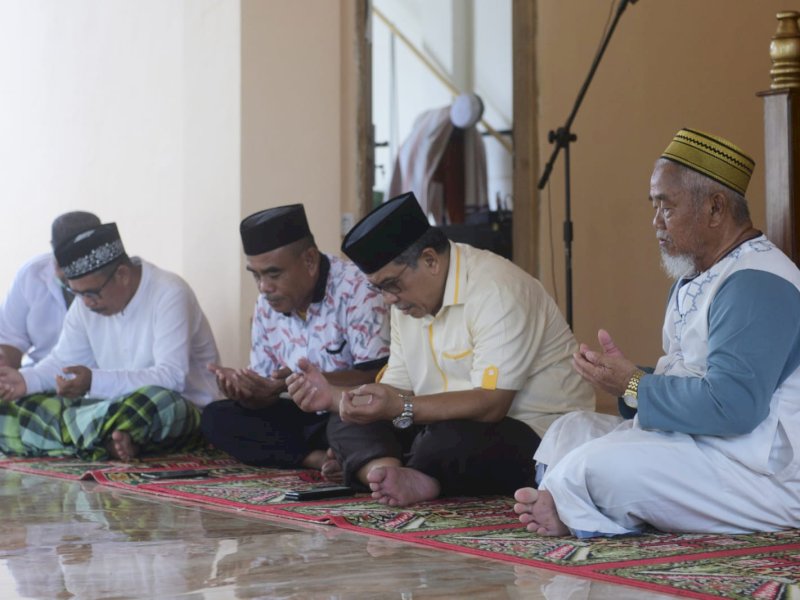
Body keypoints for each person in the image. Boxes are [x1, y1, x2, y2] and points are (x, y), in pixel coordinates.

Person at [514, 128, 800, 537]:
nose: (655, 222)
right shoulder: (700, 276)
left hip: (759, 473)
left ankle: (577, 508)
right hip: (707, 447)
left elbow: (733, 407)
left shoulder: (756, 282)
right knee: (570, 430)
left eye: (666, 207)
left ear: (715, 209)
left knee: (596, 465)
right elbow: (693, 378)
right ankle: (583, 505)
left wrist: (634, 383)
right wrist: (625, 379)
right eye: (654, 207)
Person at [287, 192, 595, 506]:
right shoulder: (406, 303)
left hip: (530, 430)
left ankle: (386, 471)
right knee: (346, 421)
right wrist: (339, 397)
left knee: (447, 441)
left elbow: (492, 404)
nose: (388, 299)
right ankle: (390, 473)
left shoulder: (498, 290)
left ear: (431, 260)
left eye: (392, 285)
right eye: (379, 288)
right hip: (434, 423)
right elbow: (394, 389)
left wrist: (401, 407)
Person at [0, 222, 220, 461]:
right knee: (17, 408)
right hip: (109, 408)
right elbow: (63, 361)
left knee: (155, 403)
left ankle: (89, 438)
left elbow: (171, 378)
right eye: (77, 294)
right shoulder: (86, 304)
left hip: (177, 407)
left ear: (122, 275)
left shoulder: (169, 292)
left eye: (91, 293)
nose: (85, 303)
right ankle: (108, 439)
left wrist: (93, 381)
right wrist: (25, 380)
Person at [200, 204, 390, 474]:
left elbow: (376, 375)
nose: (264, 287)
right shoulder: (266, 303)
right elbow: (269, 389)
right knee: (217, 417)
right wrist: (248, 393)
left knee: (355, 419)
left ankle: (338, 455)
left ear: (310, 261)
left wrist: (296, 385)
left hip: (348, 411)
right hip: (303, 417)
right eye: (256, 275)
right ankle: (315, 459)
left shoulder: (358, 289)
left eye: (273, 273)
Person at [0, 211, 101, 368]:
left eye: (77, 263)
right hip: (42, 375)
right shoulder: (31, 275)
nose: (70, 273)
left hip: (101, 379)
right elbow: (9, 339)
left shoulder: (115, 281)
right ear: (53, 248)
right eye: (63, 261)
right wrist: (6, 374)